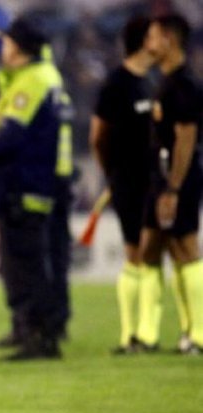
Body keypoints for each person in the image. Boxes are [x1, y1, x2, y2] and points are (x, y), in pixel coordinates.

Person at [0, 16, 73, 360]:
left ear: (20, 47)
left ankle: (40, 336)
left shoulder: (32, 80)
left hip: (26, 183)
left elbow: (11, 134)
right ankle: (34, 331)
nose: (3, 47)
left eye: (7, 41)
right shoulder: (34, 77)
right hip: (30, 182)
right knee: (27, 261)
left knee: (27, 263)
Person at [136, 13, 203, 355]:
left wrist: (174, 188)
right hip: (159, 177)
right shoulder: (165, 81)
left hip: (178, 178)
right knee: (150, 248)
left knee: (186, 248)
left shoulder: (185, 85)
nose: (148, 44)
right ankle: (147, 335)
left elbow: (186, 139)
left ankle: (199, 334)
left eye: (152, 37)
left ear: (169, 39)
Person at [90, 16, 157, 353]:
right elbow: (97, 137)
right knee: (136, 253)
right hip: (129, 180)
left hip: (154, 181)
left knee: (152, 255)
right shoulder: (117, 84)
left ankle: (147, 333)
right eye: (156, 35)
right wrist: (112, 175)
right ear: (144, 41)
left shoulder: (150, 81)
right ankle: (132, 335)